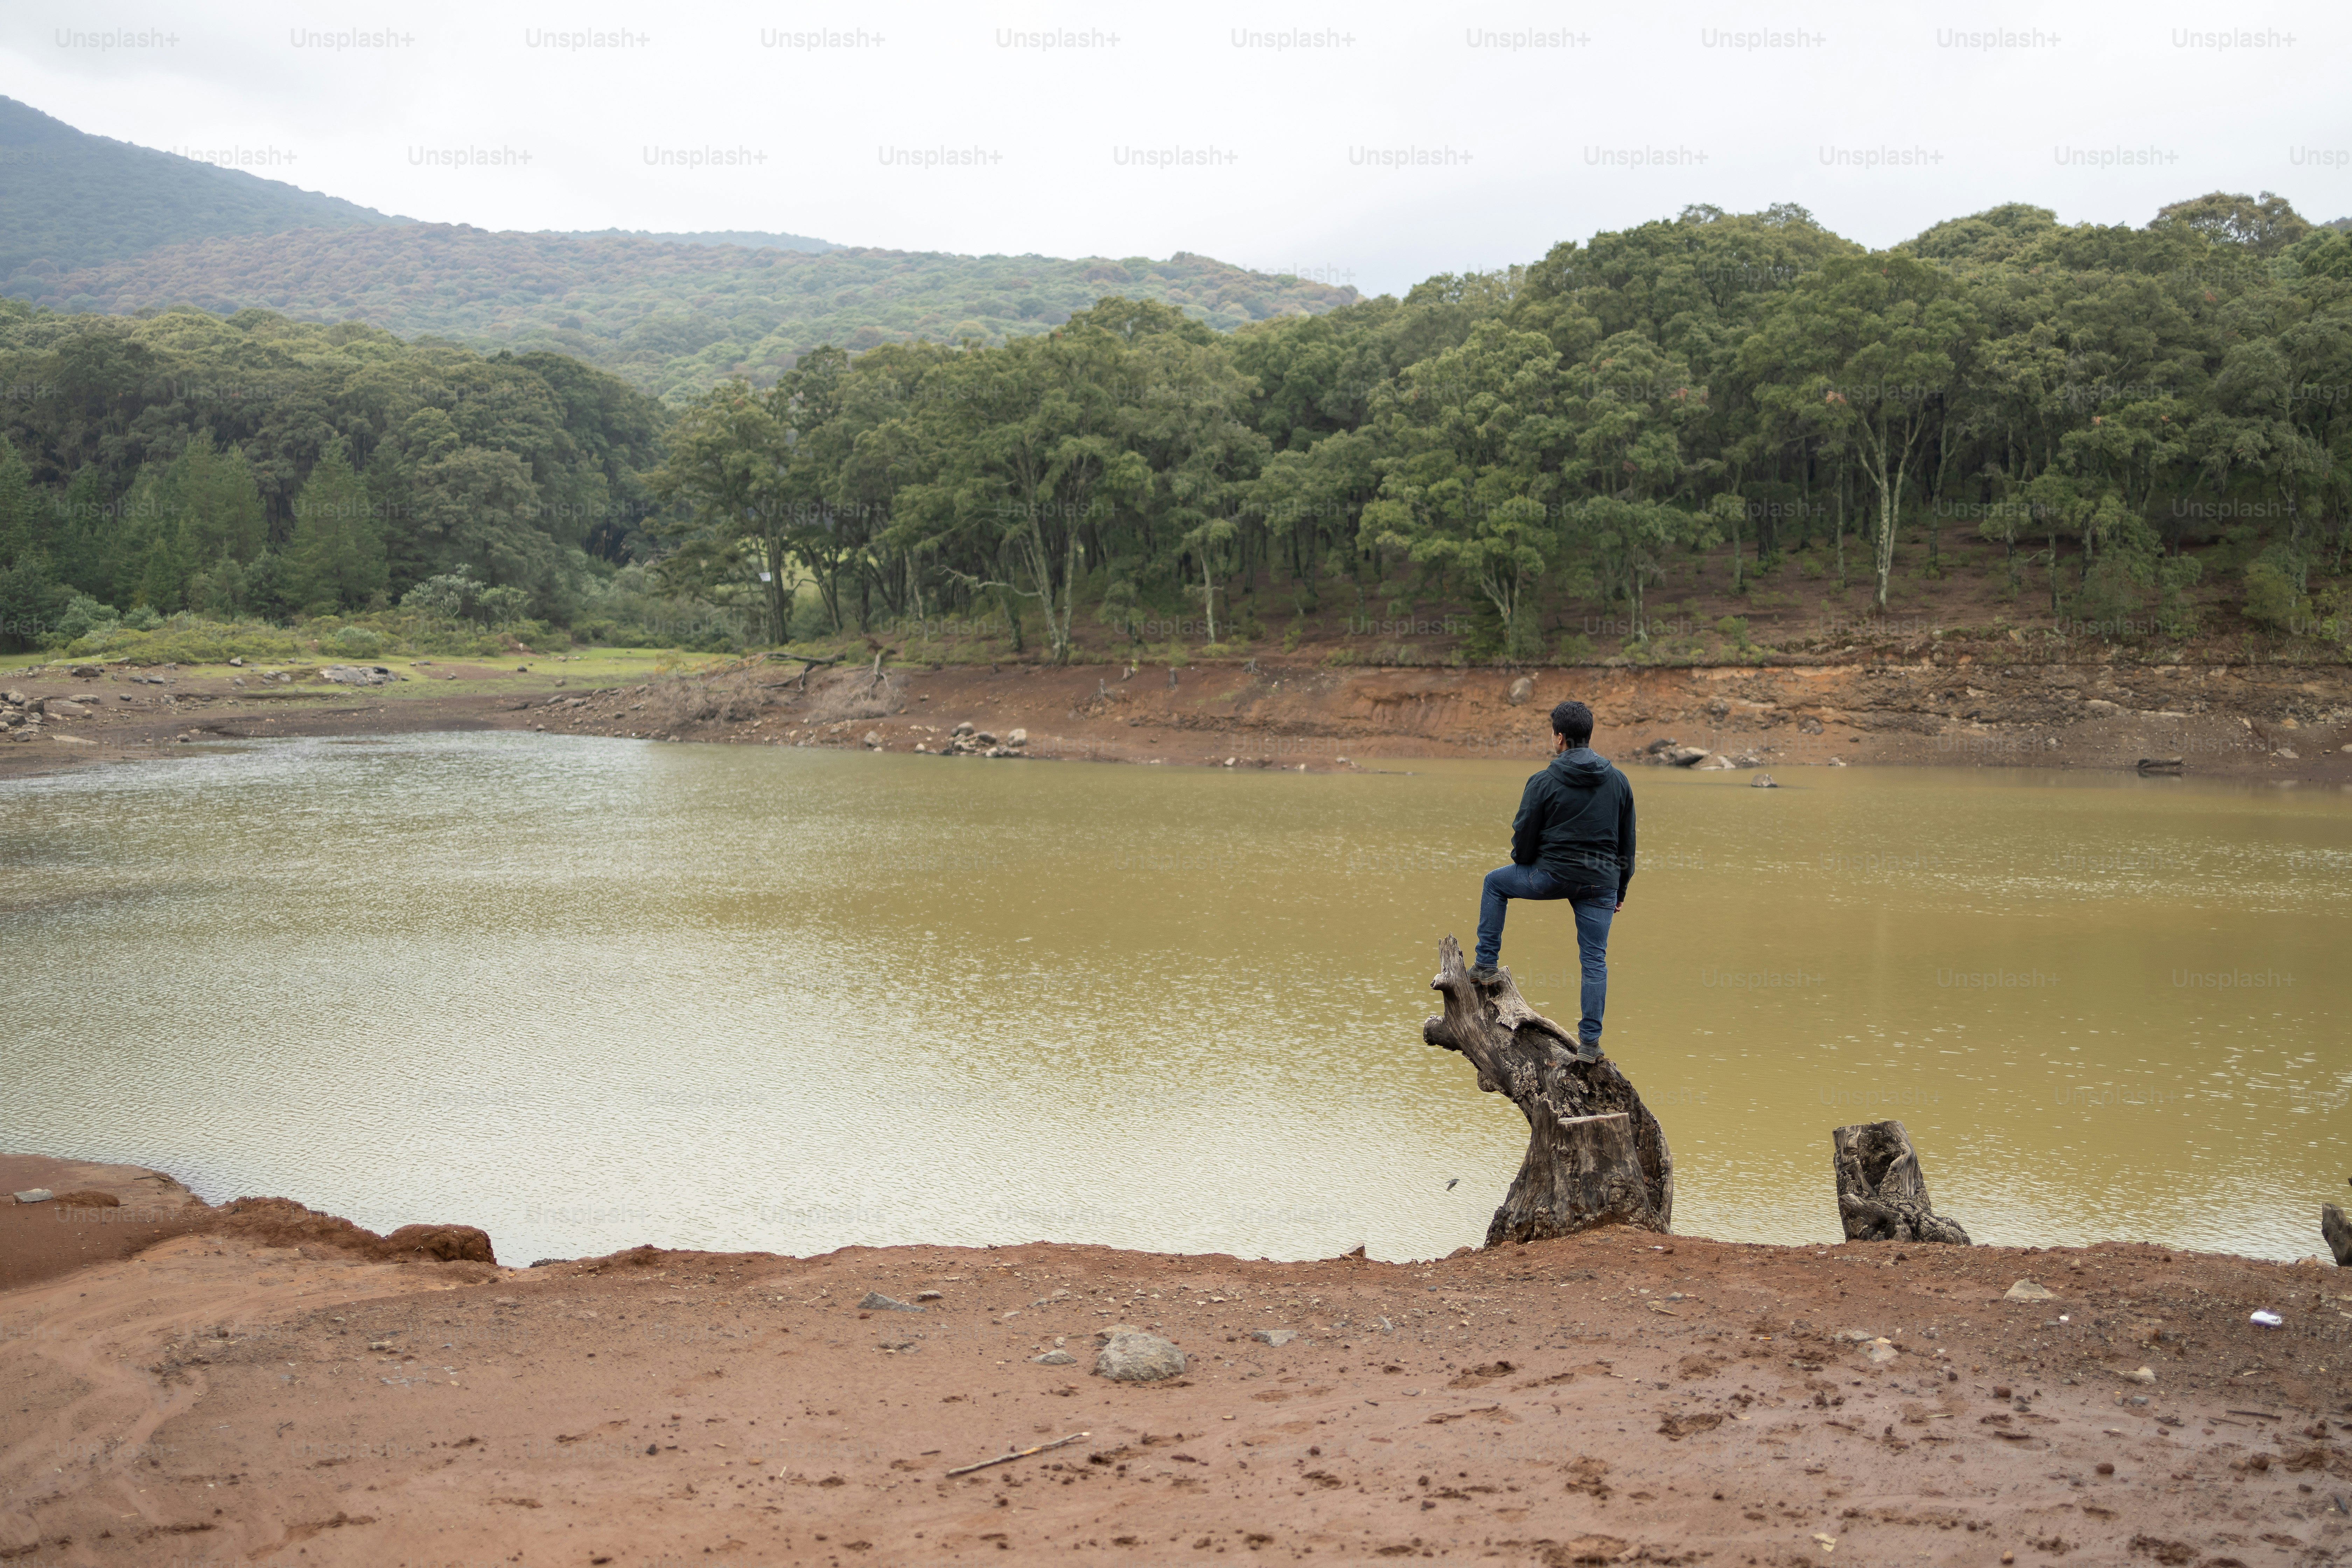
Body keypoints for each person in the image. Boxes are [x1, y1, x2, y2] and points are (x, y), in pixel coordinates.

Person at [1469, 699, 1635, 1060]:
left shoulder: (1543, 780)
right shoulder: (1619, 781)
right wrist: (1619, 888)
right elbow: (1628, 843)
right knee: (1594, 961)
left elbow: (1524, 832)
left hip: (1550, 876)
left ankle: (1485, 965)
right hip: (1601, 884)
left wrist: (1525, 863)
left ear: (1560, 738)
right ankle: (1589, 1045)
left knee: (1495, 883)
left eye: (1554, 735)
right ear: (1588, 736)